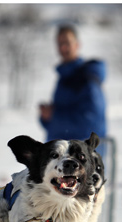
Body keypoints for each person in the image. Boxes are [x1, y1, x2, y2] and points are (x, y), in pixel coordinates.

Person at [39, 25, 107, 154]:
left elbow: (91, 121)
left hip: (83, 160)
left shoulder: (87, 78)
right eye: (59, 43)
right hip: (63, 159)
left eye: (67, 43)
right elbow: (57, 126)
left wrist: (54, 116)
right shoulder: (63, 78)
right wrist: (47, 117)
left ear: (77, 45)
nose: (63, 48)